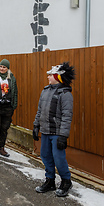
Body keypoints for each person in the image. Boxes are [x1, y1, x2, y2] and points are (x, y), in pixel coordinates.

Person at [33, 62, 75, 197]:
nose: (48, 77)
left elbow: (67, 116)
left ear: (58, 77)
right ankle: (50, 181)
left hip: (56, 133)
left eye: (51, 75)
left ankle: (66, 181)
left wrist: (63, 136)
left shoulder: (65, 94)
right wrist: (36, 125)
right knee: (45, 156)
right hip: (45, 131)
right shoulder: (45, 91)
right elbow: (40, 110)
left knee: (58, 158)